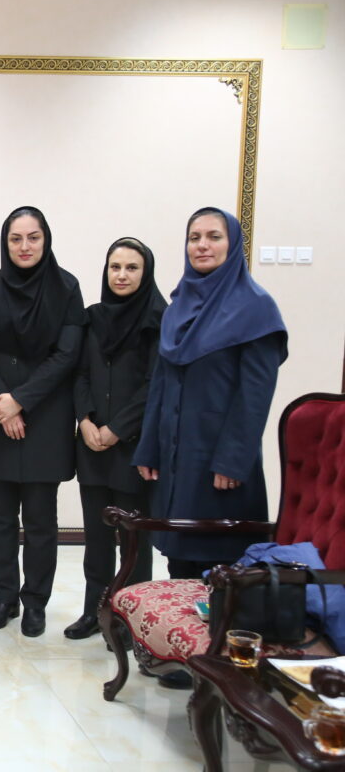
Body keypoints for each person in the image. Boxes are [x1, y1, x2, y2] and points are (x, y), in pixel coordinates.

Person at [134, 207, 286, 579]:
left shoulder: (256, 308)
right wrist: (149, 446)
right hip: (175, 458)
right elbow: (160, 385)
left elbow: (255, 396)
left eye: (214, 237)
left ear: (233, 246)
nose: (202, 245)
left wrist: (233, 461)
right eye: (194, 237)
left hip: (221, 462)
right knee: (178, 559)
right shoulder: (177, 308)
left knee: (220, 567)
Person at [0, 205, 84, 638]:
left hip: (45, 417)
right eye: (15, 238)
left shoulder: (66, 288)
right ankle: (4, 598)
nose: (24, 246)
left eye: (33, 237)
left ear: (45, 239)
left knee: (39, 520)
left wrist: (20, 401)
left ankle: (35, 602)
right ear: (5, 243)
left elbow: (66, 354)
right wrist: (2, 403)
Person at [63, 237, 167, 641]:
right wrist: (85, 420)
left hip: (134, 447)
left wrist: (116, 428)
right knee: (97, 537)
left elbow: (154, 384)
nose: (121, 275)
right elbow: (80, 374)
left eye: (131, 268)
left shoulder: (158, 319)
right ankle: (95, 611)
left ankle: (130, 621)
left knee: (133, 539)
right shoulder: (93, 318)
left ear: (146, 272)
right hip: (92, 444)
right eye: (115, 267)